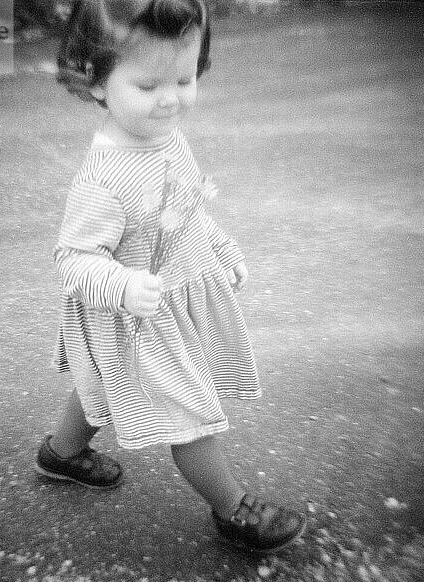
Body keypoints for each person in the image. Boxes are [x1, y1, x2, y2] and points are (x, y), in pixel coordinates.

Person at [35, 0, 306, 553]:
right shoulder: (104, 178)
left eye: (184, 79)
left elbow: (187, 208)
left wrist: (220, 247)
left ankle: (59, 455)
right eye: (149, 85)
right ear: (96, 82)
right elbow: (72, 258)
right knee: (189, 414)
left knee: (100, 388)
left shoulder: (165, 138)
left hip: (171, 302)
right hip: (137, 318)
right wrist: (124, 285)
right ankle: (233, 508)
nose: (171, 100)